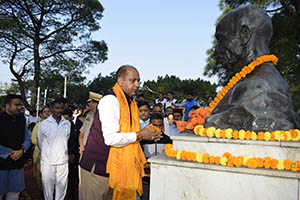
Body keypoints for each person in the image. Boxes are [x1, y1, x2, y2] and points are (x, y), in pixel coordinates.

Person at [205, 4, 300, 131]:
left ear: (244, 35)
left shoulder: (257, 86)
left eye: (222, 39)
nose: (216, 51)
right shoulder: (267, 79)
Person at [85, 65, 161, 200]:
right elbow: (110, 138)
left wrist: (147, 134)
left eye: (138, 81)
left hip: (120, 169)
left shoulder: (130, 102)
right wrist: (141, 135)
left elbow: (130, 133)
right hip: (98, 167)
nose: (137, 85)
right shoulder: (110, 100)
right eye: (133, 80)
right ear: (120, 81)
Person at [37, 99, 71, 200]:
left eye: (61, 108)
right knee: (48, 189)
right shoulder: (43, 125)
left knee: (62, 188)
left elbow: (67, 139)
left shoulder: (67, 123)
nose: (59, 110)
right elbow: (40, 142)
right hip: (48, 161)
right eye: (57, 108)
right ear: (52, 108)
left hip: (62, 161)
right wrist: (47, 154)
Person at [0, 94, 31, 200]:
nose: (19, 107)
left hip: (17, 163)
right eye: (16, 105)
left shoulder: (22, 119)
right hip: (1, 162)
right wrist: (9, 152)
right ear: (7, 106)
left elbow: (28, 138)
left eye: (20, 105)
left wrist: (22, 150)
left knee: (14, 193)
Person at [78, 91, 102, 200]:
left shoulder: (103, 116)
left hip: (96, 155)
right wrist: (81, 146)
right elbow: (81, 133)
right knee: (82, 182)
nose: (89, 105)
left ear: (95, 103)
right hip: (84, 152)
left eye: (90, 103)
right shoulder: (89, 115)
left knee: (94, 186)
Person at [31, 106, 51, 190]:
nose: (47, 113)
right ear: (41, 114)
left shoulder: (54, 124)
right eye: (45, 112)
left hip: (52, 153)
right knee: (40, 173)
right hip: (40, 152)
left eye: (48, 111)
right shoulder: (38, 125)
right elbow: (33, 139)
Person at [63, 108, 80, 200]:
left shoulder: (74, 129)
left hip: (72, 156)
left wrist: (72, 154)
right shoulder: (62, 127)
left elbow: (74, 142)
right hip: (62, 156)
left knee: (72, 178)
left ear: (71, 118)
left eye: (66, 118)